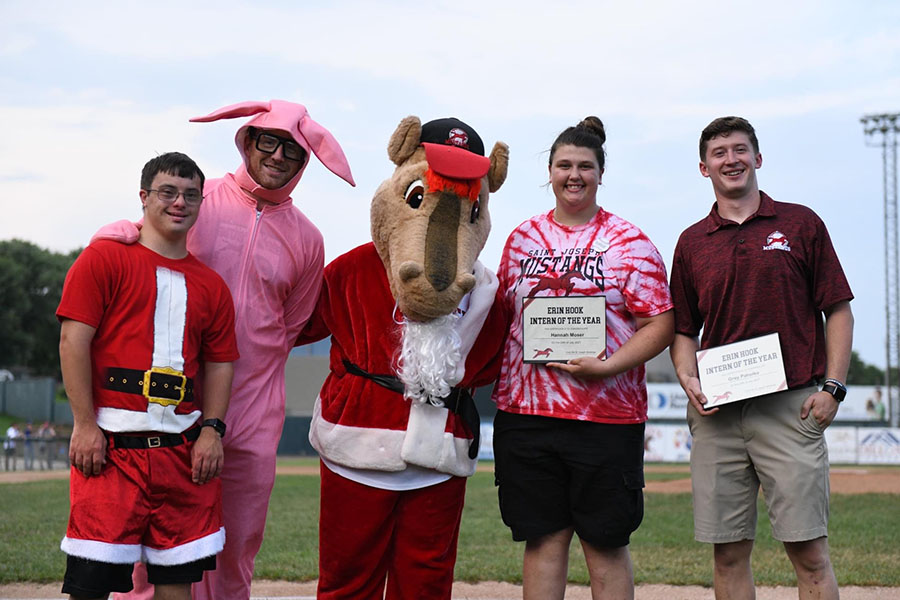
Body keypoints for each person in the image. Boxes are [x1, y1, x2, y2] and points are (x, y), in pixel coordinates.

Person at [95, 100, 355, 600]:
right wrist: (114, 234)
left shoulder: (308, 239)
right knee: (155, 547)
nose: (278, 156)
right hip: (173, 403)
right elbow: (141, 246)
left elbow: (292, 328)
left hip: (254, 411)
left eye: (293, 151)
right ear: (247, 140)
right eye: (269, 142)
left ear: (306, 163)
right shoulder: (197, 200)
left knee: (236, 544)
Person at [298, 116, 509, 600]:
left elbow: (497, 360)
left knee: (427, 583)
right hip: (357, 446)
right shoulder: (352, 268)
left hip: (439, 457)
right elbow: (286, 324)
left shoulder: (487, 290)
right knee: (348, 580)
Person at [669, 116, 854, 599]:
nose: (731, 159)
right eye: (719, 153)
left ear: (757, 157)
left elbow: (837, 309)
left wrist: (833, 388)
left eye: (739, 149)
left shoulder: (800, 223)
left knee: (809, 553)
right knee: (728, 554)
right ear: (704, 167)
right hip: (719, 413)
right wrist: (687, 376)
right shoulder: (691, 242)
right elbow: (684, 330)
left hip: (790, 406)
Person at [491, 117, 674, 600]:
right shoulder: (522, 239)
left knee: (604, 542)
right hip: (526, 416)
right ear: (549, 172)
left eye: (585, 166)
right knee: (543, 538)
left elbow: (660, 324)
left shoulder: (628, 242)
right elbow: (504, 319)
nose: (574, 174)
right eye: (564, 165)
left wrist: (607, 366)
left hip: (605, 417)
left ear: (600, 173)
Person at [57, 152, 238, 600]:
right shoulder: (103, 259)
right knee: (92, 584)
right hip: (111, 449)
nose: (180, 202)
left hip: (182, 451)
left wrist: (212, 431)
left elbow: (220, 363)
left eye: (191, 195)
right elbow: (72, 342)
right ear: (144, 197)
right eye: (168, 192)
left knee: (177, 582)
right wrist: (84, 425)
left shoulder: (212, 286)